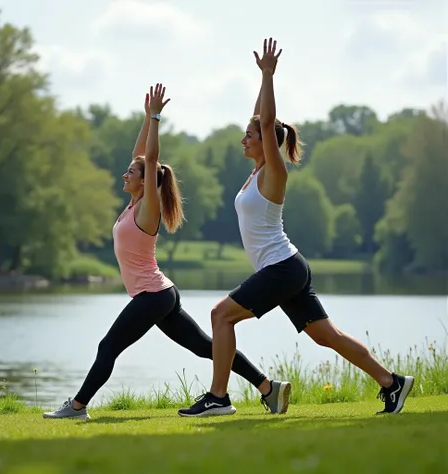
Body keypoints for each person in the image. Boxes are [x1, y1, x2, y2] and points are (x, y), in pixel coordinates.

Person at [178, 39, 414, 418]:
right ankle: (393, 383)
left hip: (282, 268)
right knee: (327, 336)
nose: (244, 138)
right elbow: (260, 118)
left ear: (267, 143)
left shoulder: (274, 171)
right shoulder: (255, 173)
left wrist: (269, 75)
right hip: (287, 267)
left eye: (249, 136)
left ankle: (218, 397)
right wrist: (260, 85)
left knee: (220, 315)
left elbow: (266, 122)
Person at [43, 83, 290, 420]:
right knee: (205, 347)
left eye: (131, 172)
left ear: (145, 182)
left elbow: (151, 159)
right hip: (160, 294)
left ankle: (77, 407)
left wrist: (158, 118)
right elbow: (143, 155)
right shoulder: (133, 205)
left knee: (107, 347)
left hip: (152, 296)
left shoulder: (148, 207)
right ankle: (267, 387)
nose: (125, 173)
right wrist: (147, 118)